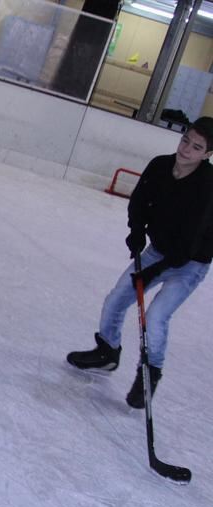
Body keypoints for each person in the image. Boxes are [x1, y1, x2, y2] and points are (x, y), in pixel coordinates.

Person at [67, 117, 213, 407]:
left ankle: (149, 375)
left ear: (207, 154)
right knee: (116, 299)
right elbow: (140, 201)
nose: (186, 149)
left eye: (196, 147)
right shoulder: (160, 165)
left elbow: (190, 243)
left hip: (190, 262)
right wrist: (136, 232)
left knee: (156, 315)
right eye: (185, 140)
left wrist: (153, 272)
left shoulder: (207, 187)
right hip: (158, 251)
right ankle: (107, 352)